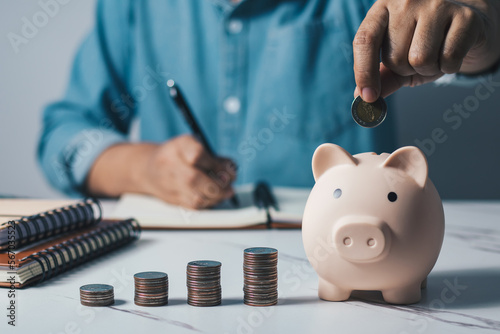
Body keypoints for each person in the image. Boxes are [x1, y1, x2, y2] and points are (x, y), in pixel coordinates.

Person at [38, 0, 500, 209]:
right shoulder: (132, 8)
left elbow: (474, 39)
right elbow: (62, 134)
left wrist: (475, 28)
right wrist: (144, 168)